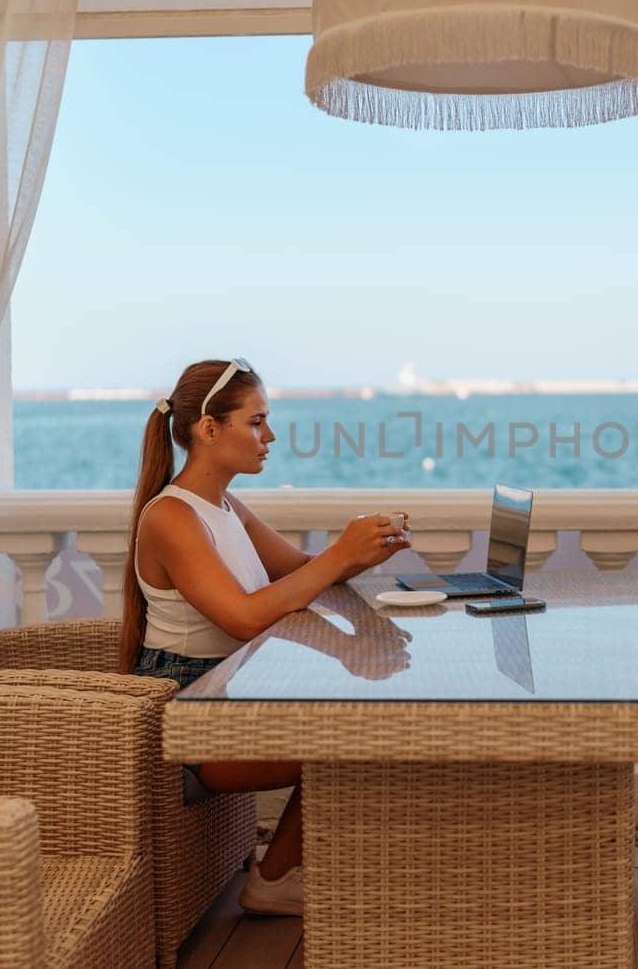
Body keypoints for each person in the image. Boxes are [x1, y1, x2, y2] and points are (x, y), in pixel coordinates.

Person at [121, 358, 409, 916]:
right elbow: (245, 618)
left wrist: (366, 549)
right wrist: (340, 556)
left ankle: (288, 872)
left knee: (367, 723)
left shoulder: (225, 506)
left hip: (224, 697)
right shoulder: (172, 518)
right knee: (356, 739)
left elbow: (301, 568)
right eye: (256, 422)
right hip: (183, 721)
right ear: (209, 429)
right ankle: (275, 880)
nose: (269, 436)